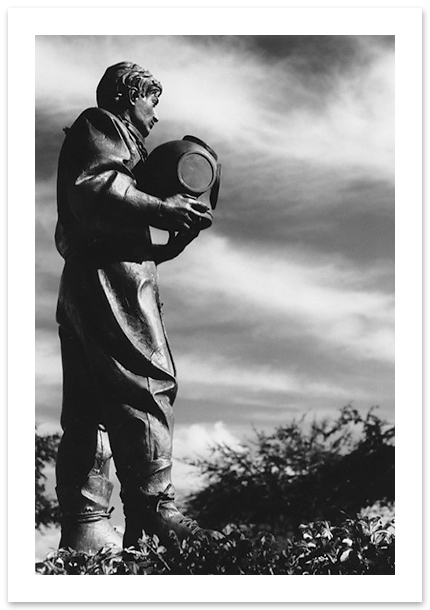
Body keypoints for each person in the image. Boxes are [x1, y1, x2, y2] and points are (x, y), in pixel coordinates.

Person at [54, 61, 219, 552]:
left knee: (88, 406)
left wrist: (172, 242)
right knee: (147, 379)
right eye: (152, 102)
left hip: (93, 277)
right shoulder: (102, 125)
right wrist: (166, 208)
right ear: (130, 96)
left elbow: (112, 212)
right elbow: (95, 187)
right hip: (110, 278)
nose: (155, 116)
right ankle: (152, 511)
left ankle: (86, 528)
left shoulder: (120, 143)